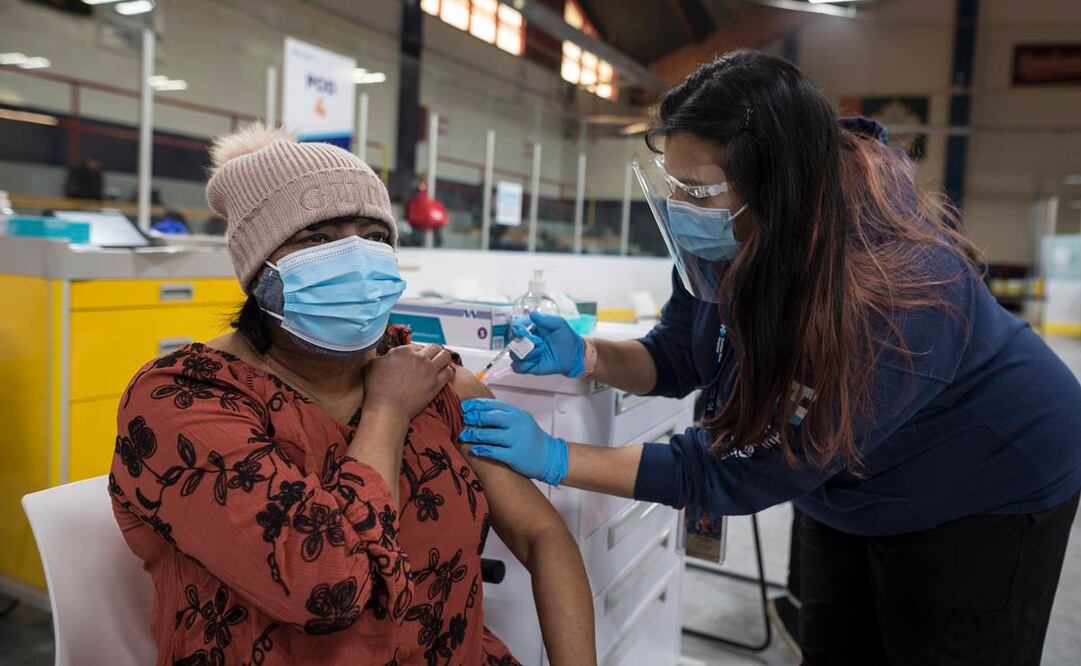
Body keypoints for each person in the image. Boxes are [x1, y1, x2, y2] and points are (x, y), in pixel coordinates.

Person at [459, 51, 1081, 666]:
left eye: (697, 189)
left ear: (773, 186)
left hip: (985, 482)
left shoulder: (895, 294)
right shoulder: (729, 236)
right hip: (849, 478)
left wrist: (557, 458)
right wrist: (590, 355)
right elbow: (680, 354)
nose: (681, 205)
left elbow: (733, 469)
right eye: (673, 184)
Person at [109, 125, 594, 666]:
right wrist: (387, 410)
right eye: (318, 238)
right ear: (261, 270)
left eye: (374, 236)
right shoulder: (183, 400)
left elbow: (543, 538)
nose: (356, 258)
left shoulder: (434, 378)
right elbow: (325, 587)